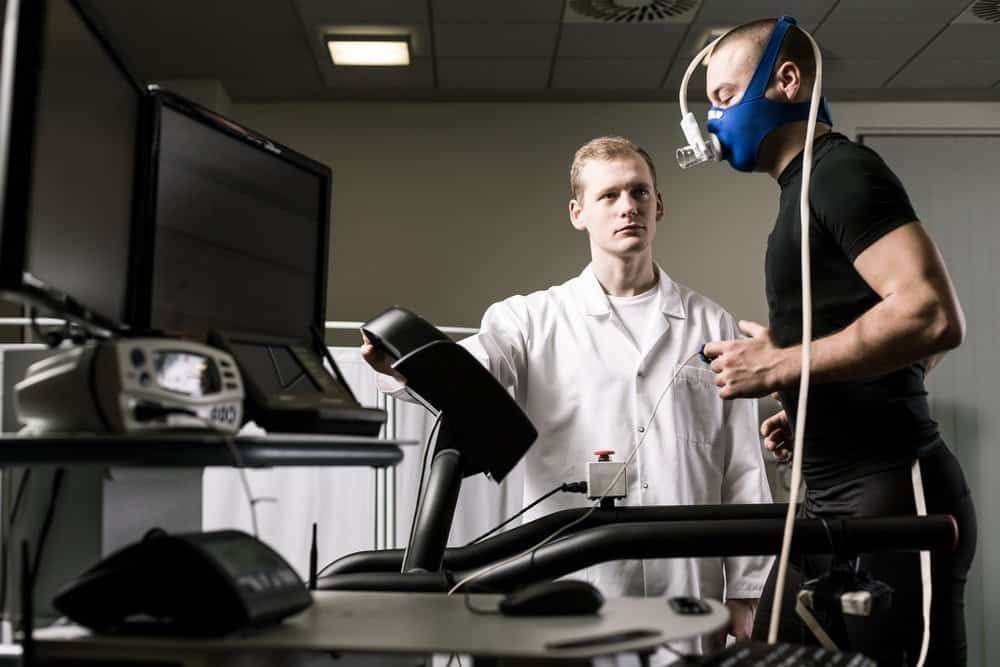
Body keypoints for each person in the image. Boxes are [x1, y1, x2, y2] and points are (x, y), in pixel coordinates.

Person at [363, 136, 772, 655]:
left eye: (640, 192)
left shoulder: (711, 323)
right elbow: (477, 366)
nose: (628, 206)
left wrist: (747, 589)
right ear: (579, 213)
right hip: (572, 589)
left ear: (659, 204)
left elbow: (742, 467)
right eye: (609, 196)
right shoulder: (530, 320)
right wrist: (408, 363)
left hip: (689, 591)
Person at [698, 17, 977, 666]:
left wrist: (785, 361)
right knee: (769, 652)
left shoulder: (842, 171)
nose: (712, 120)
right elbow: (903, 337)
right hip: (819, 496)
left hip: (890, 492)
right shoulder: (798, 193)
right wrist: (807, 390)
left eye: (723, 97)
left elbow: (934, 316)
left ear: (787, 80)